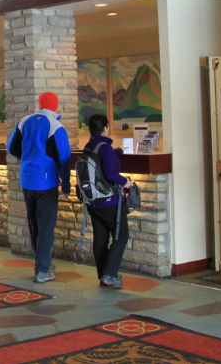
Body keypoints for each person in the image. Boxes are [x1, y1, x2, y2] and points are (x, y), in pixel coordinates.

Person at [7, 91, 71, 284]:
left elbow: (12, 147)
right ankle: (42, 270)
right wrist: (66, 185)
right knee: (46, 227)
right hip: (46, 182)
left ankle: (40, 265)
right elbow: (64, 158)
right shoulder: (55, 126)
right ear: (55, 106)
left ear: (40, 104)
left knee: (34, 224)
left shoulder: (24, 121)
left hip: (27, 179)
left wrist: (28, 160)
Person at [83, 114, 133, 289]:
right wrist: (126, 182)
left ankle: (103, 274)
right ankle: (110, 275)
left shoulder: (90, 145)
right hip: (109, 201)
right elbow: (111, 174)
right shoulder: (105, 148)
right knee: (121, 235)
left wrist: (118, 151)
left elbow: (103, 158)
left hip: (93, 201)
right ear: (105, 128)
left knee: (101, 236)